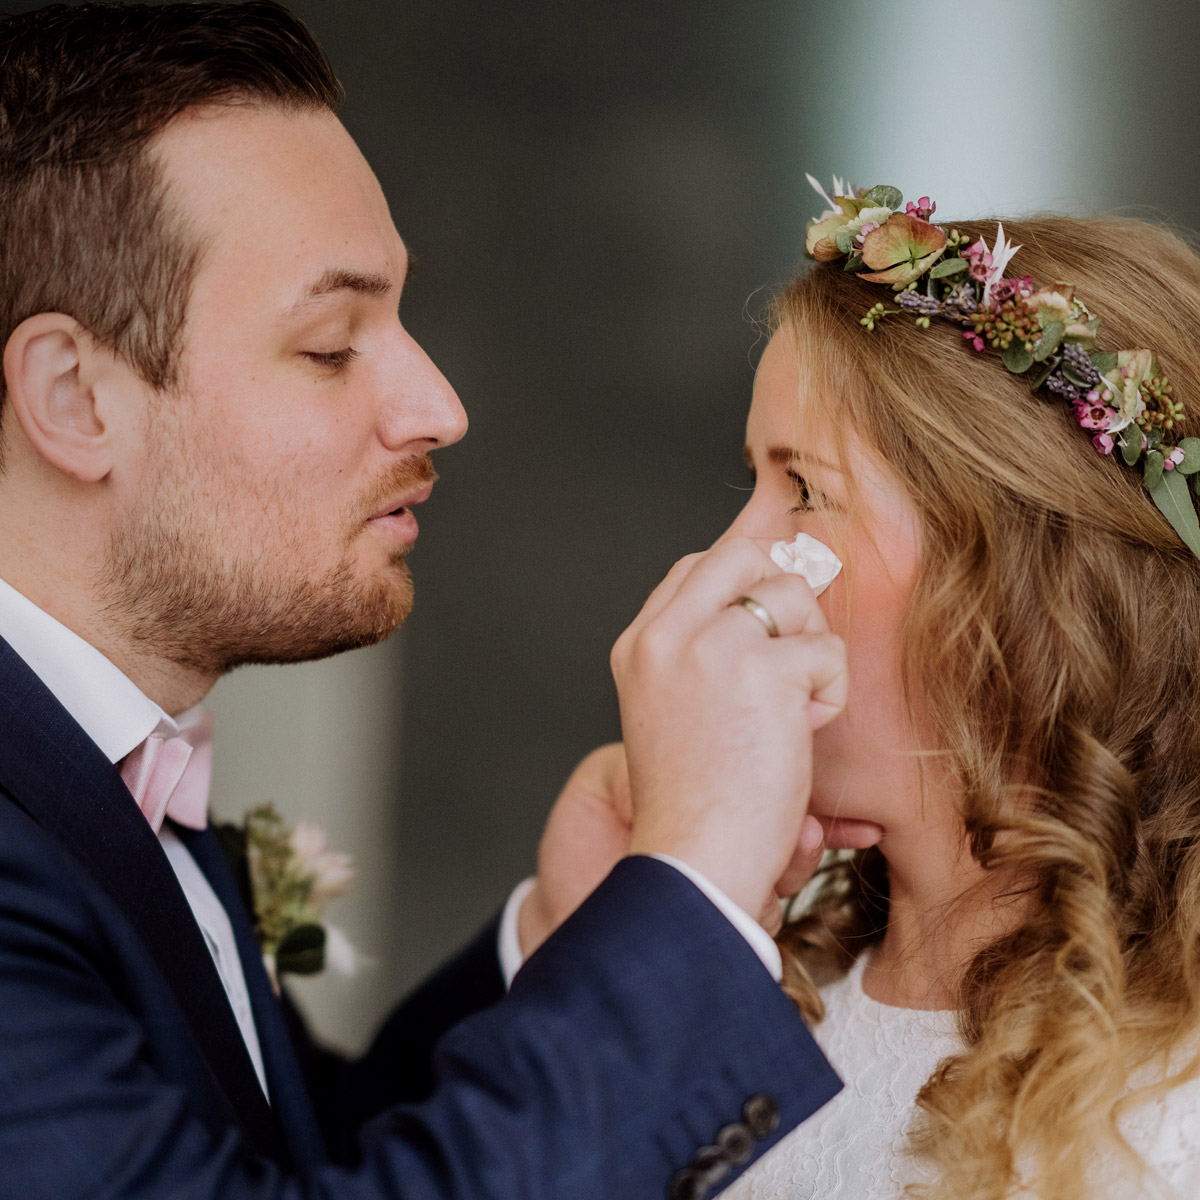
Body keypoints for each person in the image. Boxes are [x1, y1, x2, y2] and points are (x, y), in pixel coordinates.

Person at [0, 4, 850, 1198]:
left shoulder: (103, 777)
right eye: (332, 345)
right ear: (76, 398)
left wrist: (564, 940)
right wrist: (698, 886)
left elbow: (291, 1156)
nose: (439, 405)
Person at [715, 188, 1200, 1199]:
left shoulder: (1170, 1103)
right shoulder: (742, 958)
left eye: (802, 489)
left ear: (1028, 588)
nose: (727, 557)